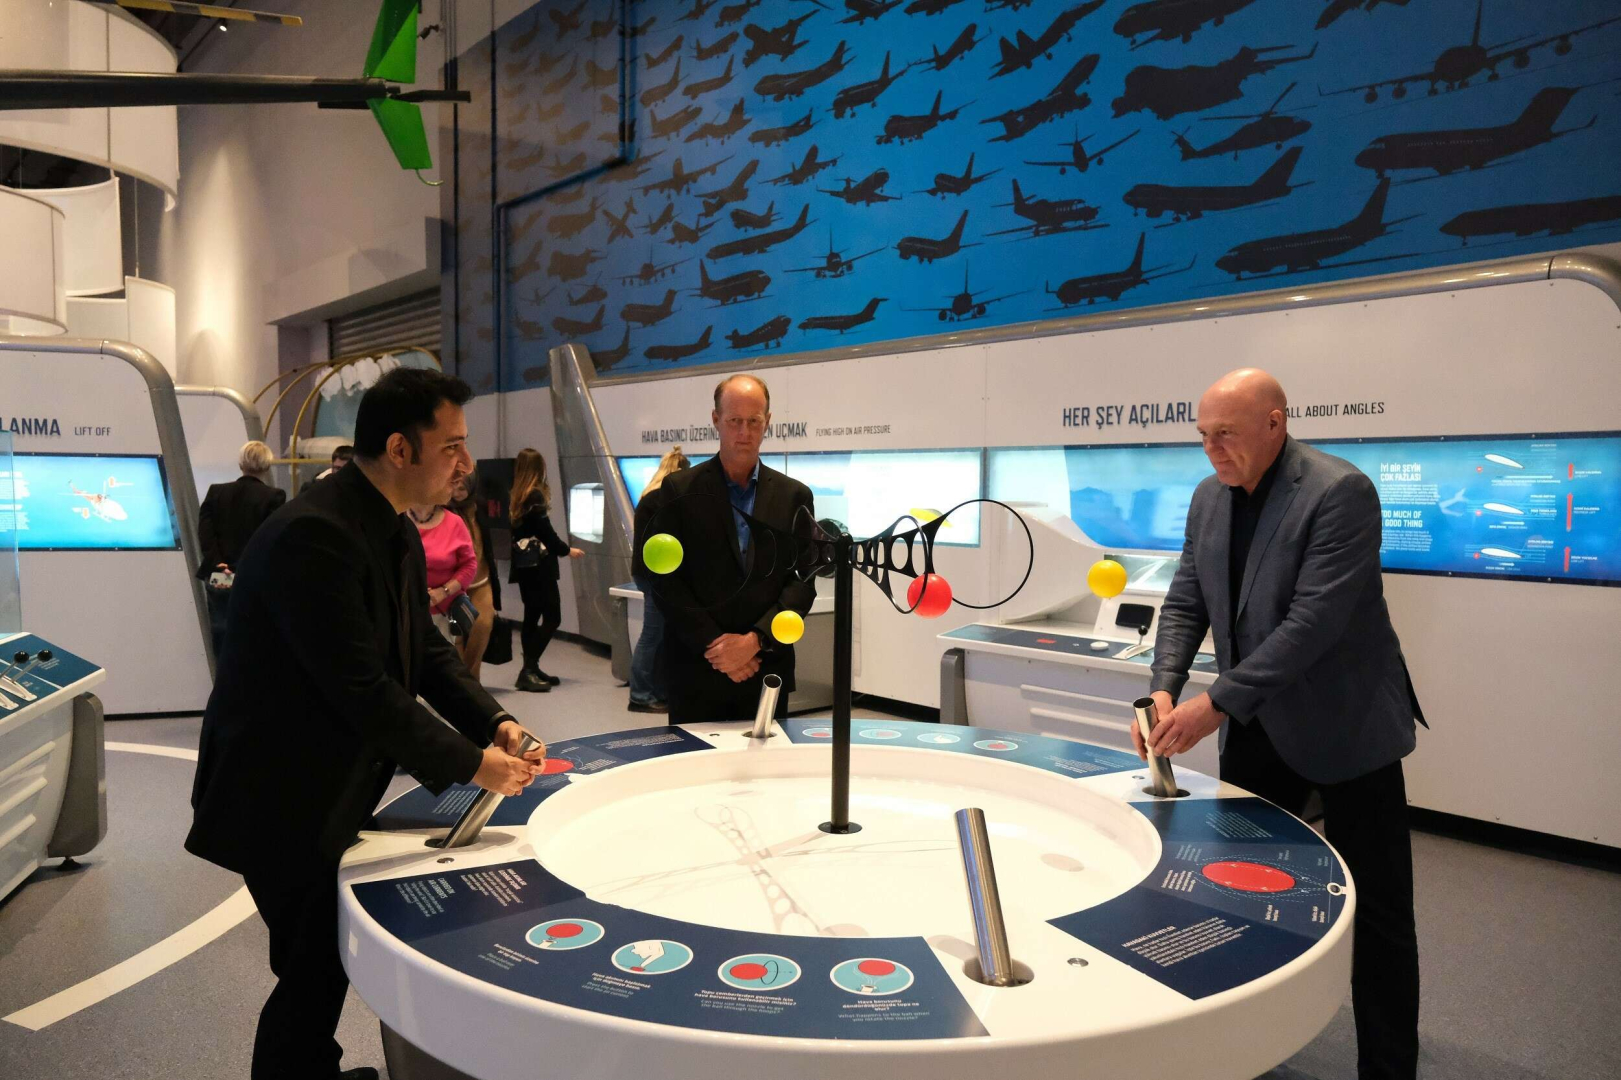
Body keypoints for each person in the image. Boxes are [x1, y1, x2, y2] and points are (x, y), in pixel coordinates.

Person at [185, 368, 546, 1080]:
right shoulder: (314, 536)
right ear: (399, 449)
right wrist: (475, 766)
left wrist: (494, 720)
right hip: (277, 797)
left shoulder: (389, 525)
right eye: (452, 446)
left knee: (320, 962)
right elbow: (363, 690)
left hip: (325, 787)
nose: (466, 463)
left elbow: (425, 651)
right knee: (312, 966)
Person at [1144, 367, 1424, 1080]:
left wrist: (1216, 702)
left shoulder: (1338, 492)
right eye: (1203, 436)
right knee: (1238, 893)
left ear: (1275, 423)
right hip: (1257, 727)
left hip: (1347, 729)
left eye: (1226, 434)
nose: (1212, 449)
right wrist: (1163, 691)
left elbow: (1311, 626)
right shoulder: (1208, 497)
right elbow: (1185, 602)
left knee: (1379, 917)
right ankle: (1244, 1051)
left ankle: (1388, 1068)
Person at [651, 375, 814, 724]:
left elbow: (802, 581)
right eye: (734, 421)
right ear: (715, 420)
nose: (744, 432)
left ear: (767, 421)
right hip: (698, 668)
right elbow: (665, 581)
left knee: (769, 760)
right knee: (693, 760)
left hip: (767, 666)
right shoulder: (679, 490)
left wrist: (755, 640)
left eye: (754, 421)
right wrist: (718, 647)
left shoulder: (795, 496)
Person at [195, 440, 285, 662]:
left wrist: (218, 563)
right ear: (267, 465)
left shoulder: (216, 492)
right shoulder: (274, 496)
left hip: (218, 574)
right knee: (254, 637)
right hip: (252, 576)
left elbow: (205, 532)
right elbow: (267, 538)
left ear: (241, 463)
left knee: (221, 634)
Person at [509, 448, 583, 692]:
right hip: (540, 568)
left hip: (524, 566)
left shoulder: (518, 495)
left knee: (531, 616)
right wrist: (566, 550)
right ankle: (528, 669)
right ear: (538, 468)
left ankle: (531, 667)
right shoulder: (535, 495)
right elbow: (546, 534)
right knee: (553, 617)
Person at [628, 446, 690, 713]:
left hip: (646, 573)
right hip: (656, 576)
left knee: (658, 635)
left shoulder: (649, 497)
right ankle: (640, 696)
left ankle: (655, 692)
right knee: (652, 636)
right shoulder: (663, 499)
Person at [448, 469, 500, 679]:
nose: (457, 493)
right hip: (452, 585)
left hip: (481, 580)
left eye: (462, 488)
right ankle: (465, 684)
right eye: (453, 487)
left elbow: (486, 544)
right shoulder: (442, 510)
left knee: (483, 625)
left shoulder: (480, 508)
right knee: (456, 638)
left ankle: (469, 681)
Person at [411, 497, 477, 642]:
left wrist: (443, 591)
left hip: (441, 612)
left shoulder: (454, 523)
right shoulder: (397, 519)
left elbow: (469, 565)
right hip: (402, 610)